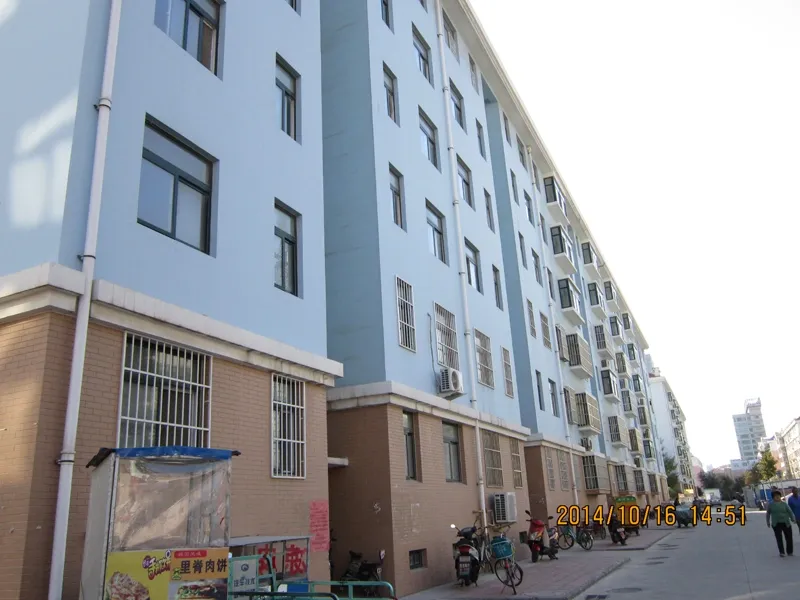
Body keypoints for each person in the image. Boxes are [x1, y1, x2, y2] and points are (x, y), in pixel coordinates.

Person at [766, 490, 796, 557]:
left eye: (778, 496)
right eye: (775, 496)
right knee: (779, 538)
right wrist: (768, 522)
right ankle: (781, 552)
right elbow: (768, 513)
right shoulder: (771, 505)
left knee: (789, 537)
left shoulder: (784, 504)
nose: (777, 497)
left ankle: (790, 551)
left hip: (786, 522)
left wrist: (793, 518)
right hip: (776, 523)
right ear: (773, 497)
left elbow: (790, 512)